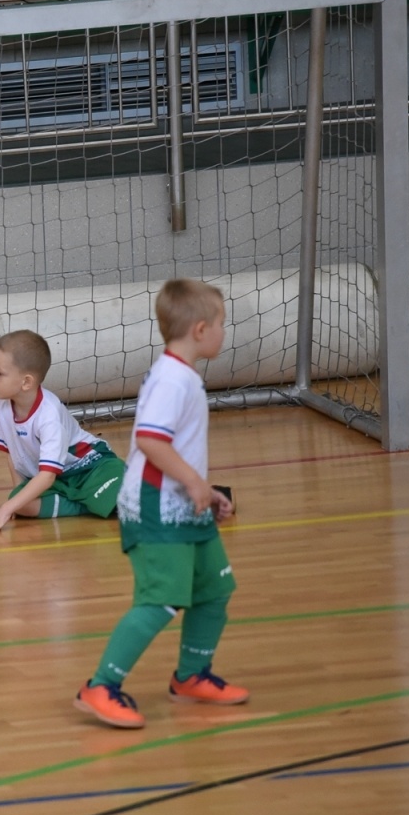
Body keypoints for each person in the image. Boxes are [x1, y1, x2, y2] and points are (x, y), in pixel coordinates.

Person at [74, 279, 247, 729]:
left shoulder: (180, 374)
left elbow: (176, 446)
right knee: (161, 601)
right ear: (201, 329)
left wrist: (203, 492)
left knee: (214, 590)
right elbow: (151, 440)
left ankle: (191, 676)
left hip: (182, 505)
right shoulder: (174, 379)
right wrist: (194, 483)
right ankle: (100, 686)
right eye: (223, 324)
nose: (225, 332)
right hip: (155, 508)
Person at [0, 329, 128, 534]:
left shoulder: (49, 415)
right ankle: (86, 505)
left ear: (26, 382)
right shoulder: (1, 405)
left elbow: (46, 477)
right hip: (54, 478)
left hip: (90, 469)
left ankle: (97, 498)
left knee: (130, 499)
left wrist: (5, 509)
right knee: (20, 502)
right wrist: (16, 496)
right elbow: (12, 453)